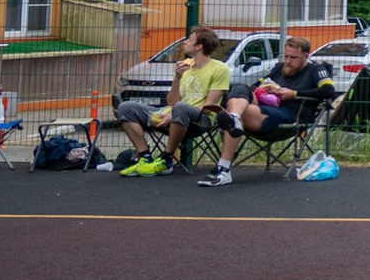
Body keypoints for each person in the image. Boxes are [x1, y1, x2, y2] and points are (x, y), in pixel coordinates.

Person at [203, 36, 334, 187]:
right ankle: (234, 118)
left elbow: (329, 90)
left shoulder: (315, 70)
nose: (288, 61)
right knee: (240, 88)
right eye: (286, 56)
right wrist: (264, 89)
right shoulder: (279, 68)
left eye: (293, 57)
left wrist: (294, 94)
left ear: (306, 56)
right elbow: (253, 87)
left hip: (290, 116)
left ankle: (224, 167)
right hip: (264, 108)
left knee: (239, 113)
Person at [114, 27, 231, 175]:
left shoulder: (219, 69)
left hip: (200, 120)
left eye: (189, 39)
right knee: (126, 107)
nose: (185, 41)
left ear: (199, 46)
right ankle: (145, 157)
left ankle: (167, 158)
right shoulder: (185, 68)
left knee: (181, 108)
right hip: (173, 114)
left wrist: (173, 114)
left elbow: (209, 106)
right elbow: (171, 103)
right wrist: (177, 78)